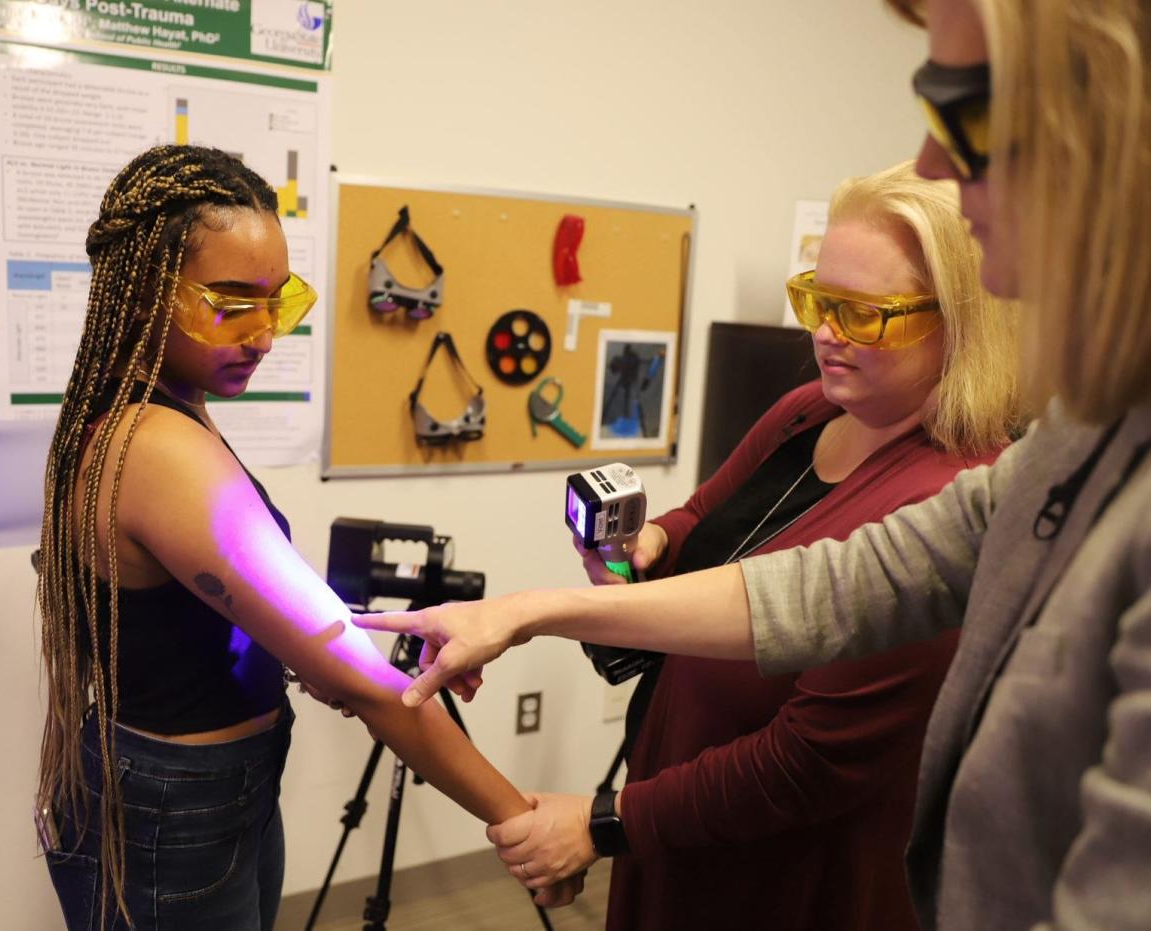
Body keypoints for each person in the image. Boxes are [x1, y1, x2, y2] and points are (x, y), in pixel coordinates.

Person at [356, 1, 1151, 928]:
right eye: (819, 298)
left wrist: (606, 816)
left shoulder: (1008, 469)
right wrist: (534, 611)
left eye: (966, 111)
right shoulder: (1064, 442)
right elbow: (825, 586)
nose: (933, 160)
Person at [35, 144, 580, 930]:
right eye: (231, 303)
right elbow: (369, 688)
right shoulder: (156, 447)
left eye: (277, 302)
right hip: (179, 808)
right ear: (148, 290)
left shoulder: (155, 404)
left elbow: (227, 602)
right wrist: (520, 821)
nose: (263, 335)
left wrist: (329, 642)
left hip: (211, 790)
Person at [563, 160, 1019, 931]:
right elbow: (703, 521)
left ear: (962, 322)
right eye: (818, 298)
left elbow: (806, 763)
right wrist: (647, 544)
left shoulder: (953, 504)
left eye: (864, 314)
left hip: (784, 872)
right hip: (679, 830)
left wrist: (603, 821)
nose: (824, 334)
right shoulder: (809, 410)